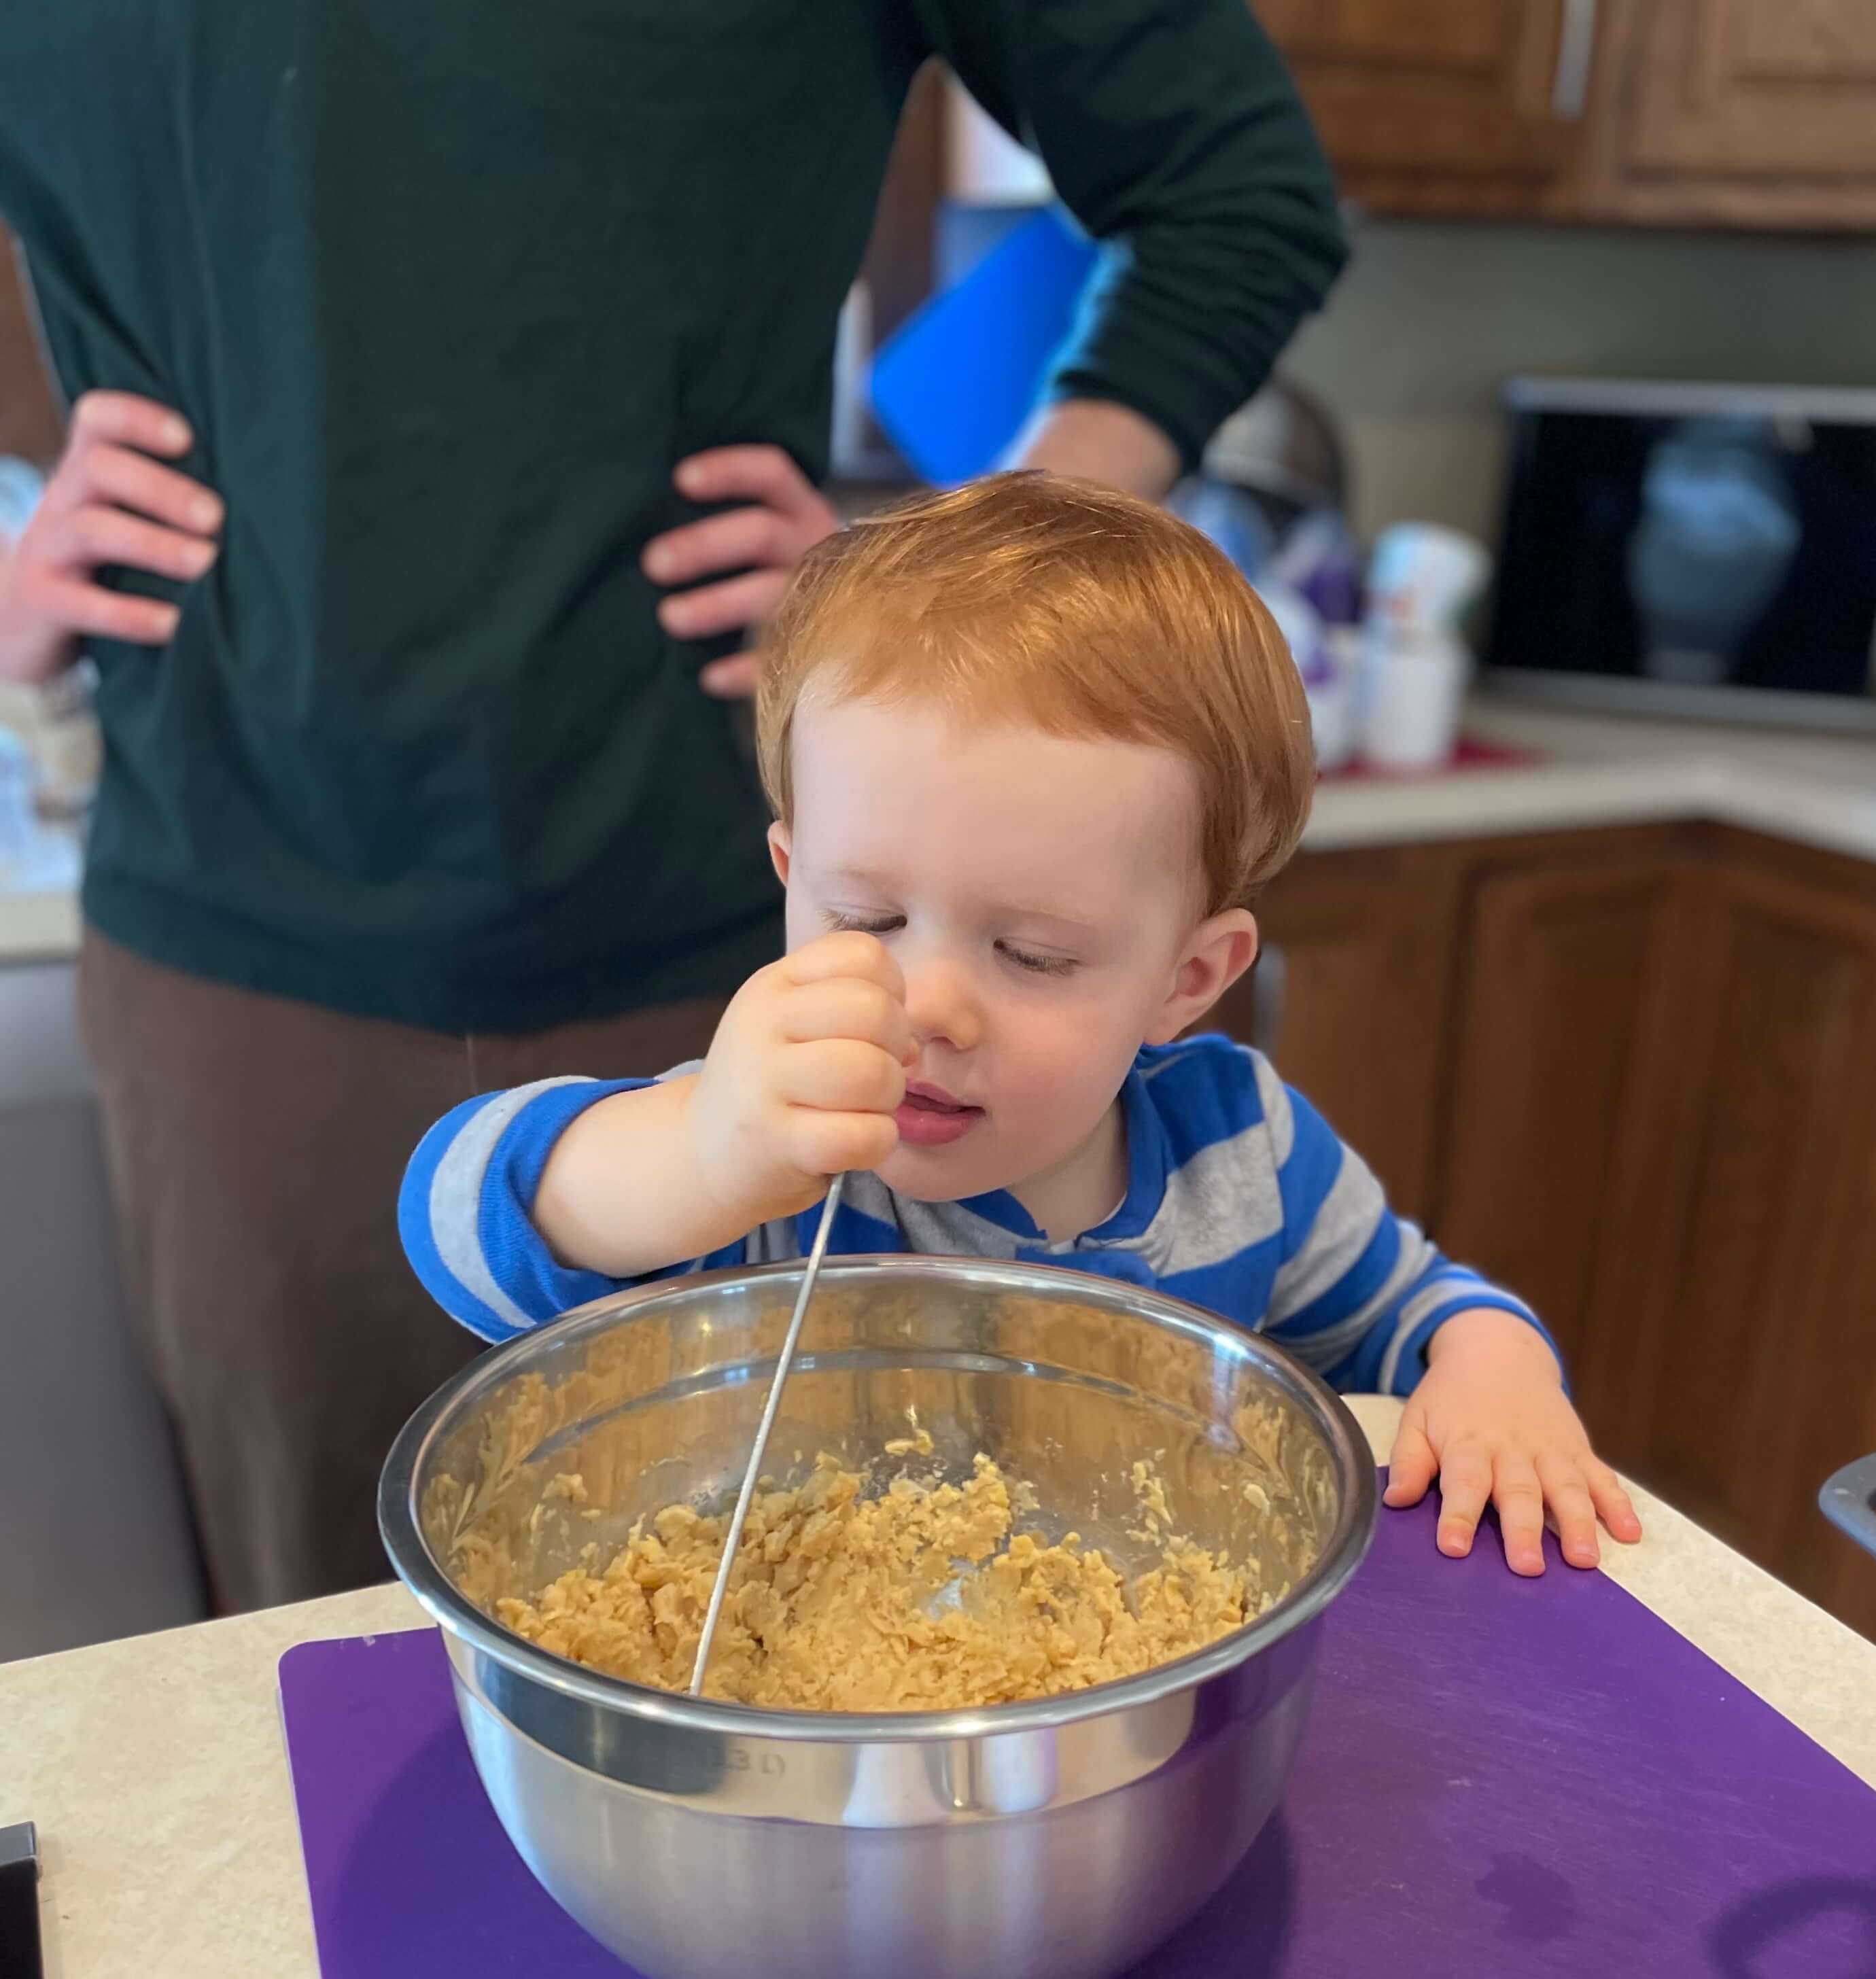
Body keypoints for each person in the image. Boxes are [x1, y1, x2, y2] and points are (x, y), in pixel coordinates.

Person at [0, 2, 1347, 1613]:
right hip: (240, 945)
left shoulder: (1102, 1090)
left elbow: (1242, 188)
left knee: (843, 1590)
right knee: (309, 1638)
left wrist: (945, 595)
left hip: (721, 936)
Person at [404, 476, 1641, 1575]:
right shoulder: (779, 1161)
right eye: (866, 916)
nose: (927, 1004)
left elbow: (1416, 1304)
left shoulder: (1241, 1150)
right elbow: (453, 1214)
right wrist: (699, 1158)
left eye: (1033, 954)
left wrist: (1495, 1370)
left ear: (1188, 977)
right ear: (789, 875)